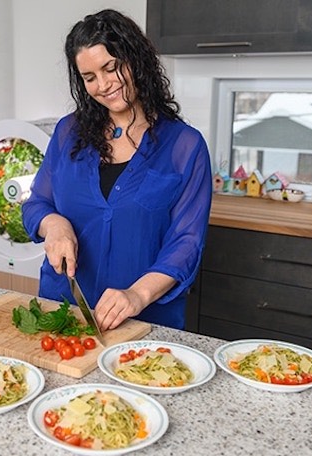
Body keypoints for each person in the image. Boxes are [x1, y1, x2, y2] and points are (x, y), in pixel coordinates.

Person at [21, 9, 212, 331]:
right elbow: (37, 203)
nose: (104, 85)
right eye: (89, 77)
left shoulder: (185, 146)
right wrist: (54, 225)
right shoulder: (69, 132)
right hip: (62, 311)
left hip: (147, 321)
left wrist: (137, 295)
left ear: (136, 60)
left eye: (111, 68)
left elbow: (187, 243)